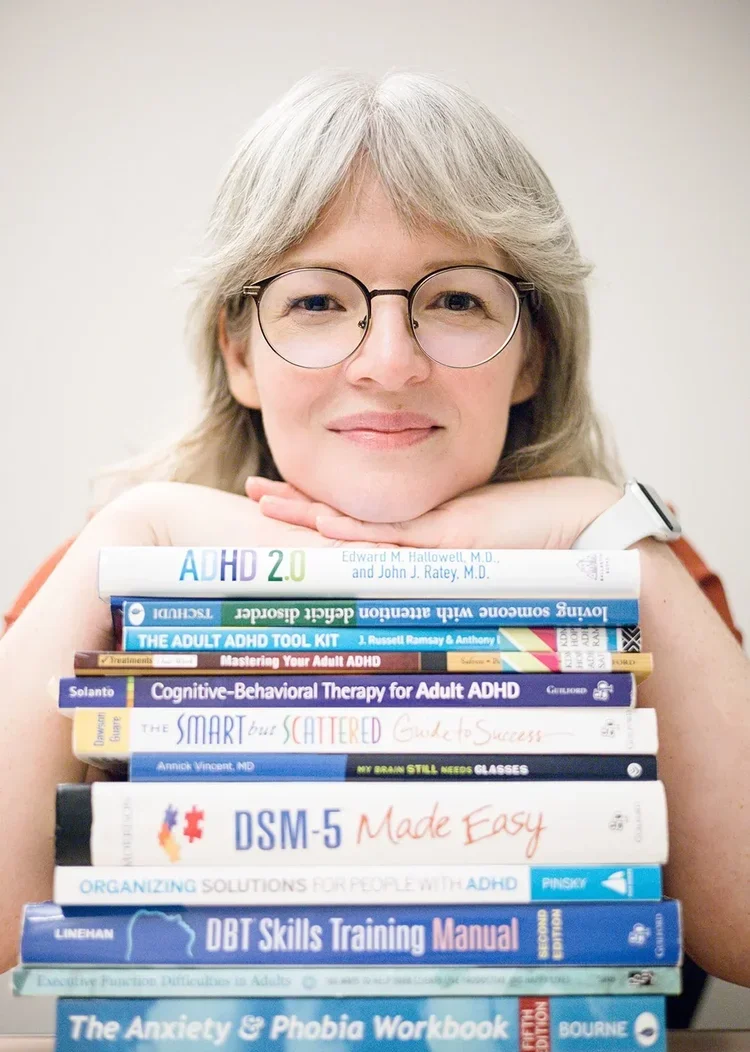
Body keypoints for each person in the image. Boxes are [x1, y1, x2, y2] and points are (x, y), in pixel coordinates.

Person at [0, 71, 748, 995]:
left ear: (532, 354)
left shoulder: (630, 575)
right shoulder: (108, 580)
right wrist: (136, 523)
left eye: (457, 301)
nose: (389, 364)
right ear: (238, 352)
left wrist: (594, 521)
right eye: (316, 302)